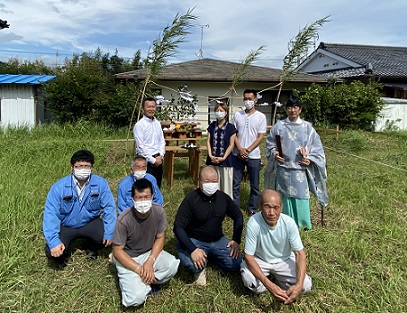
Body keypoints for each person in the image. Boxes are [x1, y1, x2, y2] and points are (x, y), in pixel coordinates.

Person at [42, 150, 116, 268]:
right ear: (72, 168)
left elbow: (109, 208)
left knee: (105, 235)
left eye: (86, 166)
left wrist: (109, 232)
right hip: (66, 225)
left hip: (90, 222)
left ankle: (90, 247)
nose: (83, 169)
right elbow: (51, 215)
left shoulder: (101, 184)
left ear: (91, 168)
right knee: (51, 250)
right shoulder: (58, 187)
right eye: (79, 166)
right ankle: (63, 256)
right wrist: (54, 241)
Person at [265, 93, 328, 229]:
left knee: (301, 197)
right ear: (286, 109)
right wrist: (275, 154)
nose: (292, 110)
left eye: (295, 107)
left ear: (300, 109)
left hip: (300, 169)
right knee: (284, 197)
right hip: (283, 169)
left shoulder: (308, 128)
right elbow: (270, 144)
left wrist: (310, 160)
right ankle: (286, 223)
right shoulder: (279, 126)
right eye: (289, 107)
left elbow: (317, 149)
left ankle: (304, 224)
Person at [112, 179, 179, 307]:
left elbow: (160, 237)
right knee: (134, 299)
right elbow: (117, 251)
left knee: (172, 265)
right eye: (139, 197)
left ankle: (146, 280)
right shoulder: (123, 220)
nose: (143, 201)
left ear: (152, 197)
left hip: (149, 252)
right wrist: (139, 269)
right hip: (129, 258)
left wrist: (150, 260)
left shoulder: (159, 211)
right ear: (133, 199)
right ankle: (143, 280)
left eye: (146, 197)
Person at [173, 166, 243, 286]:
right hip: (195, 241)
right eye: (207, 181)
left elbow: (238, 216)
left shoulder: (223, 198)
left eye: (214, 181)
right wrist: (192, 249)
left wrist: (236, 239)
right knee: (190, 262)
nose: (211, 184)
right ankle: (199, 266)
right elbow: (178, 227)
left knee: (237, 263)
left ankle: (209, 259)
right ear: (199, 182)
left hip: (218, 240)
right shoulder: (191, 200)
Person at [240, 190, 312, 304]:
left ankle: (283, 284)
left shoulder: (289, 223)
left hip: (284, 260)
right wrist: (269, 286)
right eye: (267, 207)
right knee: (250, 281)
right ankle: (269, 284)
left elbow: (300, 254)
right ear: (260, 206)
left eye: (276, 207)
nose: (271, 212)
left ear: (281, 207)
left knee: (305, 286)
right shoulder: (253, 223)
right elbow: (248, 256)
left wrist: (298, 285)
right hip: (260, 260)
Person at [233, 89, 267, 215]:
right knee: (235, 183)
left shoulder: (261, 117)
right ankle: (235, 209)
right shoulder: (237, 115)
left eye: (250, 99)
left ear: (255, 100)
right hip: (237, 154)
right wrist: (240, 149)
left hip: (253, 156)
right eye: (245, 99)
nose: (247, 101)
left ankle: (252, 209)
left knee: (255, 185)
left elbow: (260, 137)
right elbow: (233, 134)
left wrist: (247, 150)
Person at [206, 101, 237, 199]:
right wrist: (210, 155)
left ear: (226, 112)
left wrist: (223, 157)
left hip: (226, 162)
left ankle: (226, 205)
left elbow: (231, 145)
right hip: (212, 160)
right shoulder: (211, 126)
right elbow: (208, 141)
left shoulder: (231, 127)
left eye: (221, 110)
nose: (219, 112)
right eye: (217, 110)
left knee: (226, 186)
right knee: (213, 184)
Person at [133, 97, 166, 188]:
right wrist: (153, 160)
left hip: (159, 160)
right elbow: (141, 147)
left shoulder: (157, 123)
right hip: (147, 163)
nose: (151, 109)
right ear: (143, 108)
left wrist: (161, 156)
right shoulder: (139, 125)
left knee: (157, 187)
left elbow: (162, 141)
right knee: (145, 189)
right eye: (149, 107)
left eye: (153, 107)